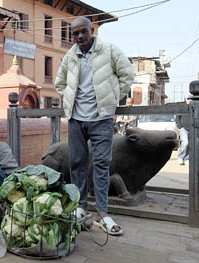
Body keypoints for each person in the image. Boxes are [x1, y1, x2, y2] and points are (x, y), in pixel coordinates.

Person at [55, 17, 134, 236]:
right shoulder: (70, 56)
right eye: (75, 33)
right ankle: (81, 208)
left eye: (84, 32)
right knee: (77, 163)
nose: (80, 36)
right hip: (76, 119)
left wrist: (112, 100)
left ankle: (102, 213)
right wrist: (69, 100)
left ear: (92, 31)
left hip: (101, 118)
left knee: (101, 164)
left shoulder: (109, 50)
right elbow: (59, 83)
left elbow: (127, 75)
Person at [176, 98, 191, 165]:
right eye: (189, 99)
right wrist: (180, 126)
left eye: (191, 99)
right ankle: (180, 157)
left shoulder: (193, 108)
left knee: (190, 144)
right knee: (185, 142)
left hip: (192, 128)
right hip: (183, 129)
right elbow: (177, 117)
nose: (190, 100)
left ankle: (187, 158)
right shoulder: (182, 108)